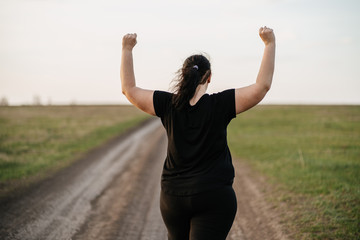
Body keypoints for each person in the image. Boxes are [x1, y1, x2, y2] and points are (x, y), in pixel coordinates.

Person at [120, 26, 275, 240]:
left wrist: (127, 49)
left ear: (184, 76)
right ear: (209, 77)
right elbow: (262, 86)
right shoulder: (220, 104)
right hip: (213, 196)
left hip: (173, 198)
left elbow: (128, 89)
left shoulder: (168, 104)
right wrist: (269, 44)